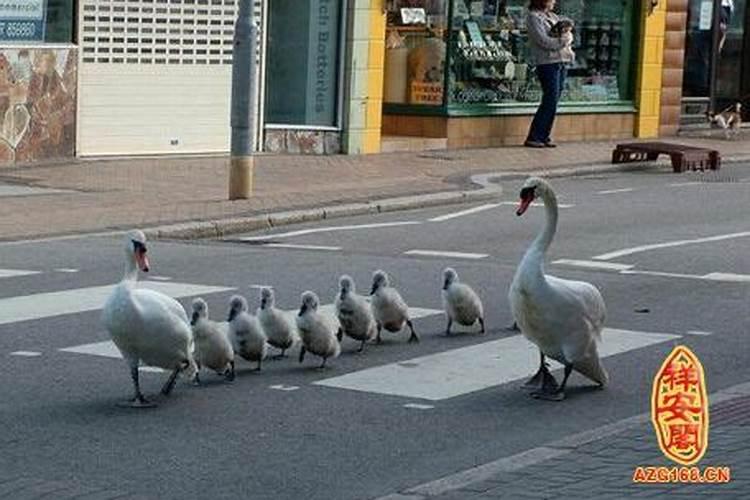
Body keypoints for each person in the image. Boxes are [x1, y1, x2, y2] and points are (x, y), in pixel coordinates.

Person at [524, 0, 574, 148]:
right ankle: (535, 136)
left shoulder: (553, 16)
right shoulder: (534, 18)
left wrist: (564, 39)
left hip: (562, 61)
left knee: (554, 100)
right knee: (550, 99)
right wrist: (563, 40)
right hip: (547, 63)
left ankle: (544, 135)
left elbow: (569, 35)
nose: (554, 1)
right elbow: (544, 41)